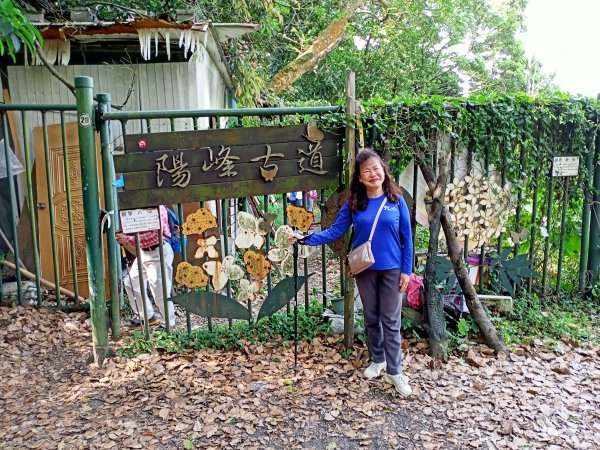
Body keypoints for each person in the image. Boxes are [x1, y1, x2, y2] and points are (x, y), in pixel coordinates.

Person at [289, 148, 413, 396]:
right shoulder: (355, 203)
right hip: (365, 269)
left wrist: (406, 271)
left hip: (392, 269)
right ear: (359, 177)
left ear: (384, 171)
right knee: (371, 317)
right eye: (366, 171)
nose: (373, 174)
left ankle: (395, 371)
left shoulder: (396, 201)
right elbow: (335, 231)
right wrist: (305, 238)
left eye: (376, 169)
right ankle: (377, 360)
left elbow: (407, 238)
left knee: (391, 319)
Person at [116, 205, 177, 329]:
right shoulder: (139, 208)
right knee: (131, 282)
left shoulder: (159, 208)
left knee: (159, 289)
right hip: (144, 252)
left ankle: (170, 323)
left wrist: (128, 239)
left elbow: (156, 236)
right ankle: (147, 316)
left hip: (158, 250)